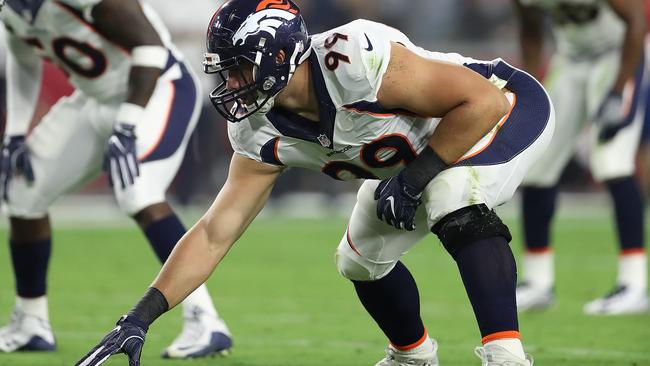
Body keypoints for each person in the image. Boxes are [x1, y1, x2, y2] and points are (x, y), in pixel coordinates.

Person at [75, 0, 555, 365]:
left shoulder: (353, 60)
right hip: (413, 160)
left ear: (280, 54)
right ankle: (412, 354)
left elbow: (480, 104)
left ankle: (505, 355)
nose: (232, 82)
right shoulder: (257, 128)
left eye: (239, 66)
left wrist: (415, 179)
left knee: (452, 195)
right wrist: (139, 317)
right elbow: (213, 232)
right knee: (359, 259)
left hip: (503, 112)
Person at [0, 0, 233, 358]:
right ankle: (30, 321)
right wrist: (15, 132)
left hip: (159, 87)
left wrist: (125, 125)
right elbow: (21, 54)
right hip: (97, 97)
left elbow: (151, 47)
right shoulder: (14, 9)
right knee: (22, 192)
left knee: (138, 191)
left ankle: (205, 319)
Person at [514, 0, 649, 314]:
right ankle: (537, 282)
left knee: (613, 161)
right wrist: (529, 86)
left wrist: (617, 91)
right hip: (571, 59)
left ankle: (634, 284)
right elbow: (530, 30)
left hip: (619, 53)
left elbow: (636, 23)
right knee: (537, 165)